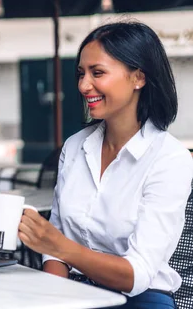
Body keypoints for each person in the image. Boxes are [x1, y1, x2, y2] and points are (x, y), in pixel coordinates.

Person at [18, 21, 193, 308]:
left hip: (139, 300)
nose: (83, 85)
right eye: (81, 74)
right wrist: (52, 297)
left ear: (138, 78)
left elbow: (137, 275)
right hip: (75, 295)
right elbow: (55, 250)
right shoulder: (75, 147)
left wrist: (56, 245)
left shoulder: (169, 158)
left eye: (97, 73)